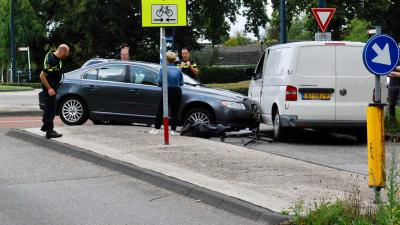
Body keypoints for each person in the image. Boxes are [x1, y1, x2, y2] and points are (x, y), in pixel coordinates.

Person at [40, 44, 70, 139]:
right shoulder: (51, 61)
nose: (67, 55)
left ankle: (46, 125)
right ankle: (49, 131)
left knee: (49, 107)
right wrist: (49, 88)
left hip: (53, 86)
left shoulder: (54, 56)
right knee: (51, 109)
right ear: (62, 52)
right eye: (66, 53)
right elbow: (42, 76)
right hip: (50, 88)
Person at [150, 52, 183, 135]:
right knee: (174, 111)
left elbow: (159, 81)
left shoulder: (163, 69)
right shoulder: (178, 69)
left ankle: (156, 129)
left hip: (167, 90)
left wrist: (159, 83)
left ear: (166, 59)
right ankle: (173, 130)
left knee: (160, 110)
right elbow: (181, 82)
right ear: (174, 60)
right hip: (177, 91)